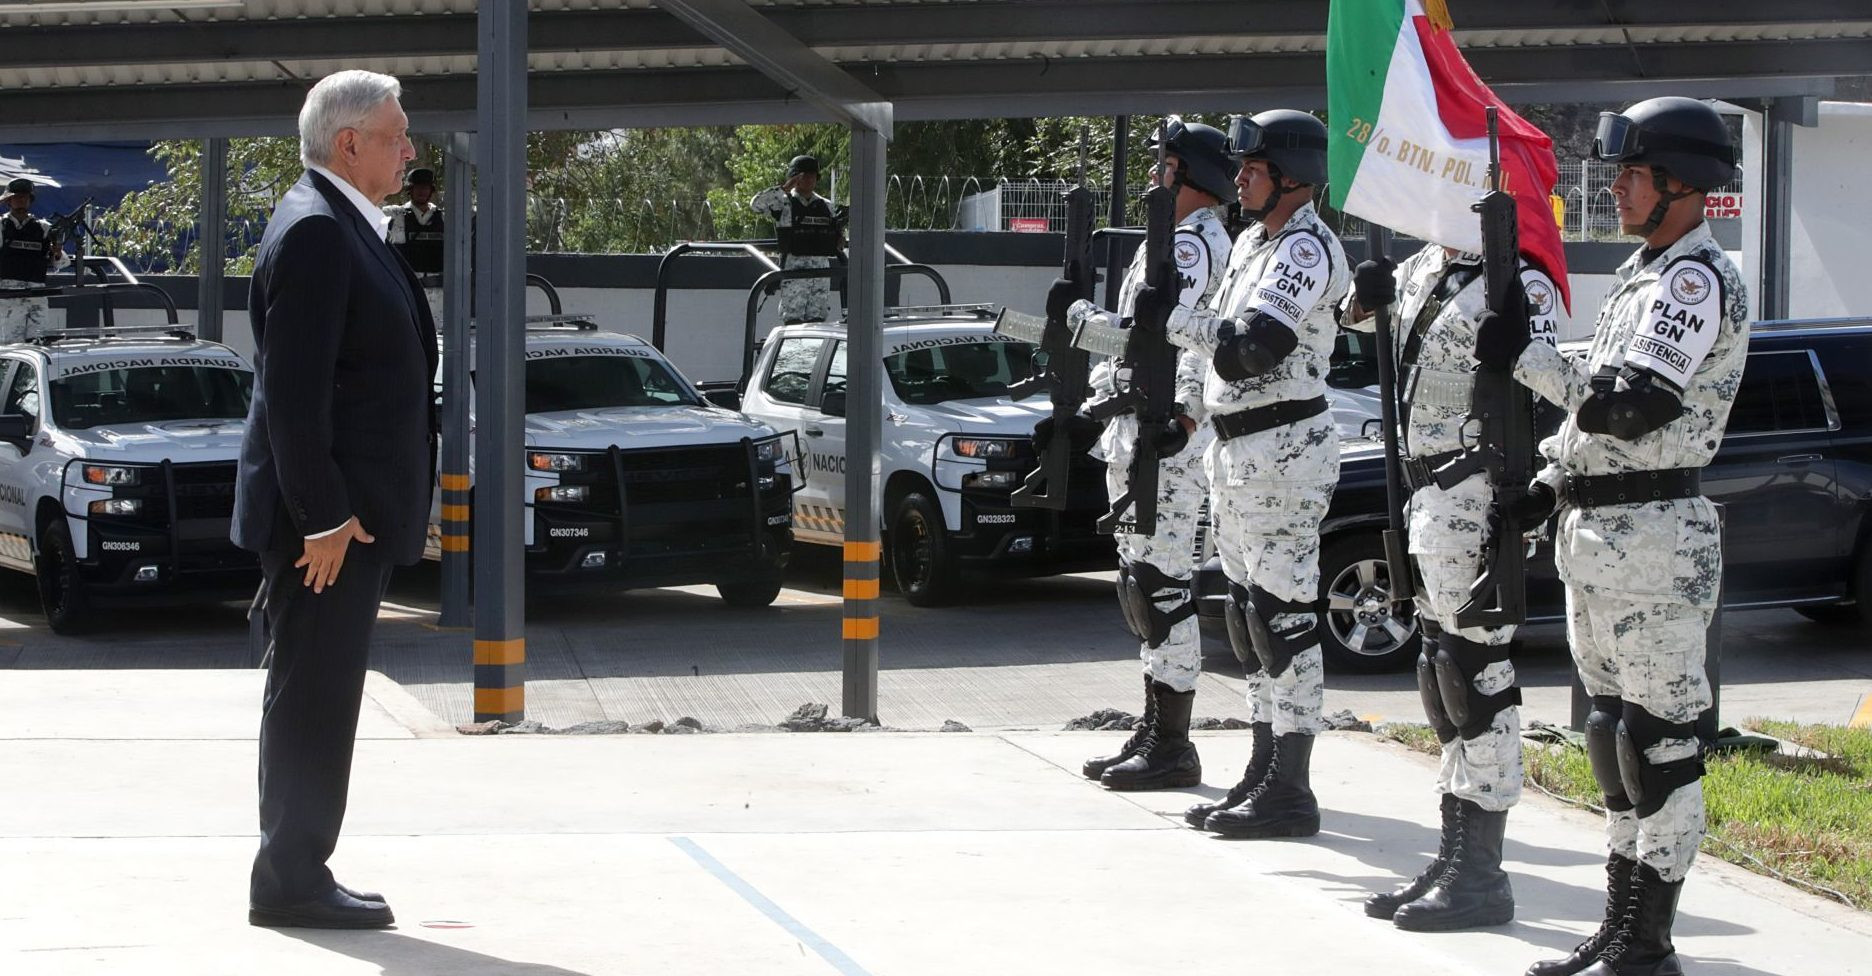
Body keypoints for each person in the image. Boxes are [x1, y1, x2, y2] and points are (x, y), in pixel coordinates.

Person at [1477, 97, 1746, 976]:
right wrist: (1548, 478)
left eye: (1632, 173)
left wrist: (1530, 355)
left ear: (1682, 183)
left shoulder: (1694, 284)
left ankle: (1650, 938)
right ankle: (1622, 920)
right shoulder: (1642, 276)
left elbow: (1629, 410)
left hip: (1657, 546)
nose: (1617, 187)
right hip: (1600, 540)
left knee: (1658, 744)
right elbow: (1592, 419)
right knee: (1609, 736)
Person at [234, 69, 437, 930]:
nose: (411, 150)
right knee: (314, 693)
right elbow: (294, 392)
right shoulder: (318, 232)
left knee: (319, 690)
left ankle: (296, 867)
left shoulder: (338, 223)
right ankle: (290, 877)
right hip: (330, 526)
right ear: (349, 143)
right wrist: (322, 517)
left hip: (343, 516)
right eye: (397, 135)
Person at [1345, 242, 1562, 930]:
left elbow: (1551, 399)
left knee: (1477, 679)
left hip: (1476, 493)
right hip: (1425, 494)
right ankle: (1454, 855)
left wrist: (1532, 496)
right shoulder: (1424, 267)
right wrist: (1365, 296)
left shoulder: (1521, 281)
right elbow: (1359, 323)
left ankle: (1482, 874)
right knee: (1441, 674)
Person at [1144, 109, 1348, 839]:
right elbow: (1214, 359)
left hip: (1284, 451)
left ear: (1292, 177)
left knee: (1284, 621)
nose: (1239, 179)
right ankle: (1261, 772)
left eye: (1252, 168)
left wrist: (1171, 317)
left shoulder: (1304, 250)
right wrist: (1187, 407)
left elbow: (1249, 349)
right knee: (1248, 617)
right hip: (1237, 451)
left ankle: (1291, 786)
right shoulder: (1257, 246)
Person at [1051, 118, 1235, 792]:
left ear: (1190, 175)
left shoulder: (1189, 248)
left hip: (1167, 436)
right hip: (1137, 427)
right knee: (1140, 585)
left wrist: (1079, 320)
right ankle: (1156, 726)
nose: (1156, 172)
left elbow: (1156, 344)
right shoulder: (1179, 241)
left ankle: (1173, 743)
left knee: (1160, 587)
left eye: (1166, 163)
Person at [750, 155, 844, 323]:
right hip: (794, 271)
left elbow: (837, 232)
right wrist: (785, 188)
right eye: (803, 176)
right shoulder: (783, 202)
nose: (809, 180)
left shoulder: (826, 205)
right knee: (793, 323)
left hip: (820, 273)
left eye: (812, 176)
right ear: (795, 177)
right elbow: (756, 205)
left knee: (817, 323)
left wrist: (838, 239)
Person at [1, 177, 69, 341]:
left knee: (38, 342)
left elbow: (62, 262)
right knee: (10, 345)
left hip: (37, 292)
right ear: (9, 201)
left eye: (25, 197)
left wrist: (57, 251)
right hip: (9, 293)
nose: (21, 201)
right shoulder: (2, 226)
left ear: (30, 200)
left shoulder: (43, 227)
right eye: (17, 197)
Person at [384, 166, 445, 321]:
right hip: (405, 291)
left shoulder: (444, 218)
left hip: (438, 296)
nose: (422, 191)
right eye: (418, 187)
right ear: (410, 189)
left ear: (432, 191)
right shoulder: (394, 214)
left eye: (426, 187)